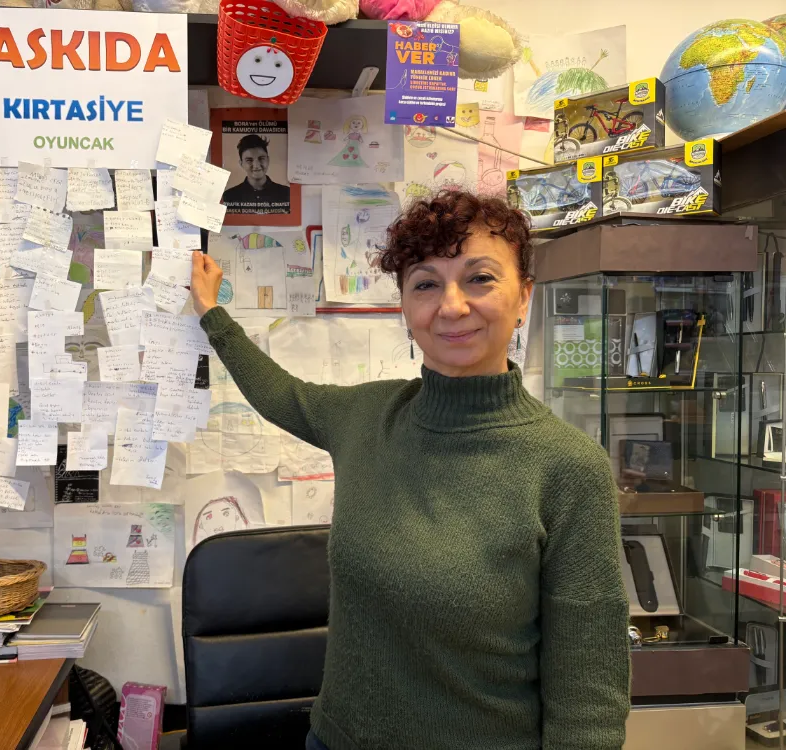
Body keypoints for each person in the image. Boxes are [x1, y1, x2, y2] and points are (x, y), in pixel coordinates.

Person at [190, 189, 630, 750]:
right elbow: (281, 393)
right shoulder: (366, 418)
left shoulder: (568, 468)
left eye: (479, 278)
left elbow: (588, 699)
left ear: (524, 296)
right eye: (425, 284)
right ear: (404, 306)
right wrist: (212, 314)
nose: (452, 306)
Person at [220, 133, 291, 214]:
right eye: (249, 160)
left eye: (261, 158)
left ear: (268, 160)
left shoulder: (286, 193)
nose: (256, 166)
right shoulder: (228, 196)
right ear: (241, 164)